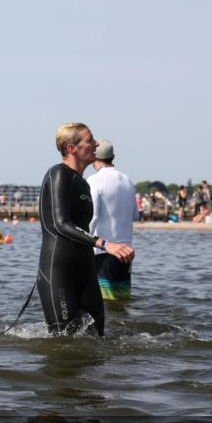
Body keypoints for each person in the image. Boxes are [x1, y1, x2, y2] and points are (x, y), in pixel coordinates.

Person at [37, 124, 134, 336]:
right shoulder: (58, 174)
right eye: (90, 140)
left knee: (97, 335)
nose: (96, 144)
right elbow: (61, 224)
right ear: (72, 148)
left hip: (86, 271)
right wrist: (106, 244)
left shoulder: (83, 183)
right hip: (59, 272)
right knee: (64, 344)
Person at [87, 140, 136, 301]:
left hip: (103, 251)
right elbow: (135, 215)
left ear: (93, 156)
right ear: (112, 157)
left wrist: (83, 243)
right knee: (121, 302)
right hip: (127, 252)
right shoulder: (128, 180)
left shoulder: (94, 180)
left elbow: (92, 217)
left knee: (103, 303)